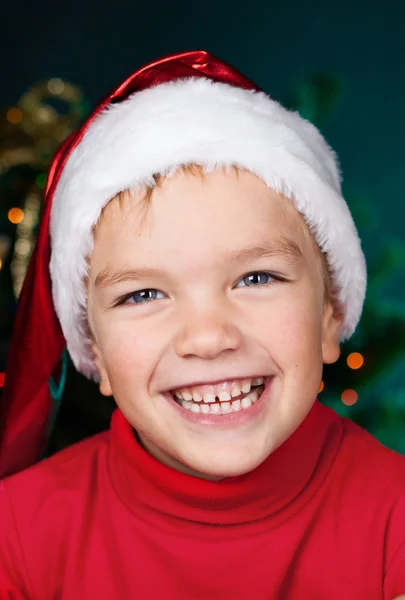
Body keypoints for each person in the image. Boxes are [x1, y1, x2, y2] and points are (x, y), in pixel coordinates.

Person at [0, 49, 404, 599]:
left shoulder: (393, 520)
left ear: (330, 314)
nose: (209, 338)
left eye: (257, 279)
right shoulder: (19, 537)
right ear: (94, 349)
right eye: (143, 293)